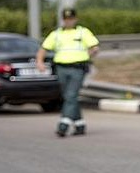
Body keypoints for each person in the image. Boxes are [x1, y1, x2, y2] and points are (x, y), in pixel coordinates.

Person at [36, 8, 99, 137]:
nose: (68, 21)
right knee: (68, 96)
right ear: (63, 20)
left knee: (71, 95)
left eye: (71, 19)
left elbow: (95, 47)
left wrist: (89, 54)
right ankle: (80, 124)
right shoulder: (56, 34)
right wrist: (40, 62)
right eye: (66, 19)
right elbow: (43, 49)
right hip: (61, 68)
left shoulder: (83, 32)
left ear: (75, 19)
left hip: (78, 68)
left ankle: (63, 124)